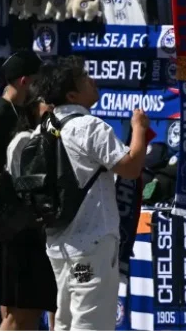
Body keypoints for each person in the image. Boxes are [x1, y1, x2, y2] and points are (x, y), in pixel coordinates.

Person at [34, 56, 150, 331]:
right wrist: (139, 130)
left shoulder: (44, 128)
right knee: (91, 324)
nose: (93, 80)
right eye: (85, 78)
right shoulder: (89, 127)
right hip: (90, 248)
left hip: (57, 245)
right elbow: (131, 168)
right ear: (72, 95)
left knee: (64, 323)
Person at [0, 52, 56, 330]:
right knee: (19, 314)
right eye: (37, 81)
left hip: (23, 224)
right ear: (25, 81)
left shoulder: (21, 114)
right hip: (9, 226)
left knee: (17, 311)